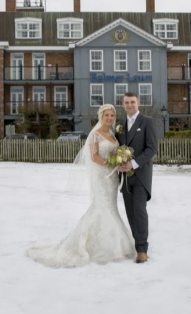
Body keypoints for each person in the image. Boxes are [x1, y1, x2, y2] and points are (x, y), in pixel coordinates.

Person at [27, 104, 136, 267]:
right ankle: (99, 246)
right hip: (100, 177)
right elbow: (94, 157)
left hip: (112, 178)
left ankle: (115, 244)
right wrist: (111, 162)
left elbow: (116, 152)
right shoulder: (95, 135)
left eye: (112, 116)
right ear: (101, 116)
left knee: (111, 207)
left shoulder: (113, 135)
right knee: (101, 207)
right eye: (106, 115)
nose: (109, 118)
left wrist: (120, 159)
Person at [116, 92, 158, 264]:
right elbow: (117, 148)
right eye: (126, 102)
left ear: (138, 103)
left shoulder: (147, 122)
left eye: (132, 102)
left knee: (139, 211)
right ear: (123, 104)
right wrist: (116, 162)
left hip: (141, 176)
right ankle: (137, 244)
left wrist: (133, 164)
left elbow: (152, 148)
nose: (130, 105)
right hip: (125, 178)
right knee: (131, 213)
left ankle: (142, 250)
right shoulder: (120, 125)